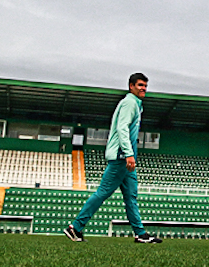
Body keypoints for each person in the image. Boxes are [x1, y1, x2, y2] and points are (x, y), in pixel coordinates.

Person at [64, 73, 161, 243]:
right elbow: (122, 128)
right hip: (121, 157)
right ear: (131, 86)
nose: (144, 88)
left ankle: (140, 234)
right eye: (140, 85)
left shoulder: (135, 103)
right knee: (103, 192)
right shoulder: (130, 103)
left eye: (145, 85)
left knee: (131, 196)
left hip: (126, 158)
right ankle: (75, 227)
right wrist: (129, 154)